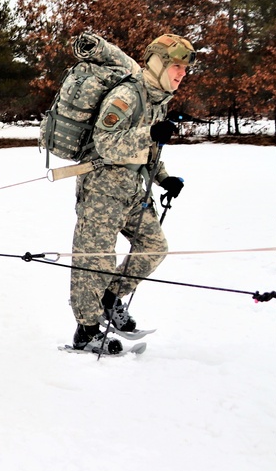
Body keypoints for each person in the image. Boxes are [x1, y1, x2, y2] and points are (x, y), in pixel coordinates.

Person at [69, 34, 192, 354]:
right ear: (158, 64)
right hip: (101, 191)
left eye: (184, 69)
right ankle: (86, 331)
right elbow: (106, 143)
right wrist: (149, 133)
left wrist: (164, 178)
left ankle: (110, 299)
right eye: (176, 66)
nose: (181, 74)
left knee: (153, 246)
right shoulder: (126, 95)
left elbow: (147, 147)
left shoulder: (156, 98)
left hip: (132, 191)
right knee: (96, 260)